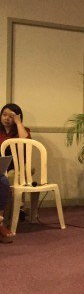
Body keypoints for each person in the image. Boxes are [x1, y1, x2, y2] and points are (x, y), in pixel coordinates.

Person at [0, 103, 31, 241]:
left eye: (11, 116)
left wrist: (18, 123)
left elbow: (26, 142)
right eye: (4, 115)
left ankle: (4, 222)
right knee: (4, 179)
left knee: (7, 179)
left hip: (16, 168)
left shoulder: (22, 130)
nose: (6, 118)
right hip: (1, 168)